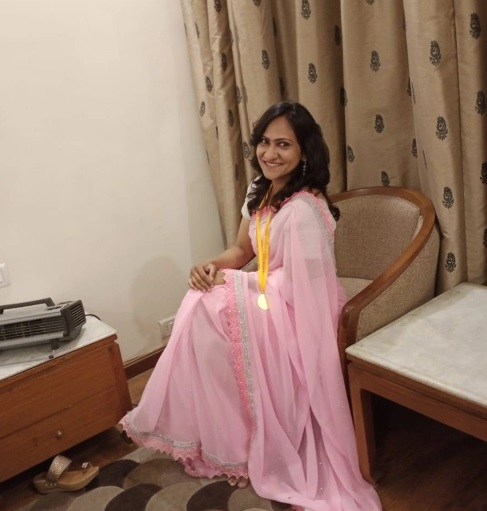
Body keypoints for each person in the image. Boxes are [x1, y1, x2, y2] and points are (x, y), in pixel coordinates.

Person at [120, 101, 381, 510]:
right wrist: (210, 266)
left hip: (301, 307)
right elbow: (242, 250)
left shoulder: (303, 209)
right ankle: (221, 433)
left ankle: (241, 438)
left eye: (283, 145)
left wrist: (235, 283)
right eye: (264, 142)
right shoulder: (261, 189)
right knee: (200, 299)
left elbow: (303, 288)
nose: (270, 153)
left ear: (304, 152)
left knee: (210, 307)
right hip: (268, 292)